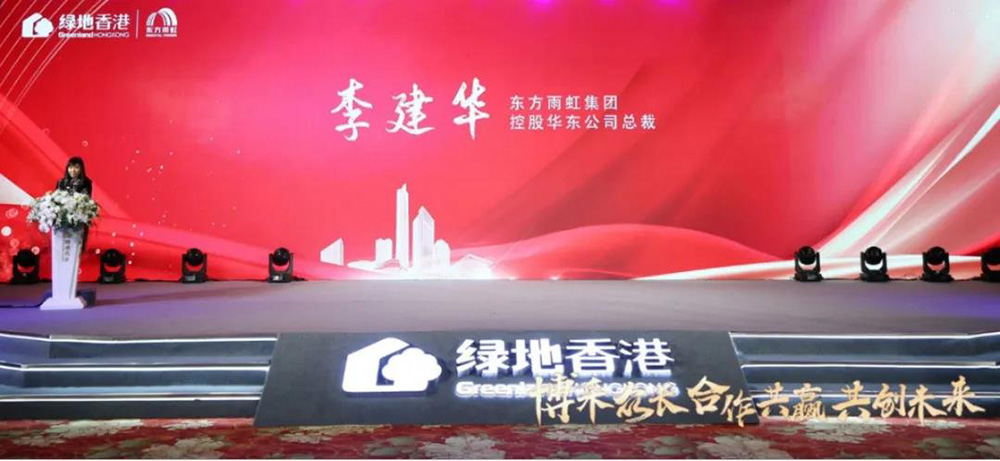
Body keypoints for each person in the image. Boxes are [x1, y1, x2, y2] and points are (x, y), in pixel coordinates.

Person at [55, 156, 94, 250]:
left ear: (81, 169)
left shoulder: (86, 182)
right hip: (63, 217)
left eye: (76, 167)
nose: (73, 170)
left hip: (78, 217)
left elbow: (85, 200)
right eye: (70, 167)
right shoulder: (61, 182)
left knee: (75, 248)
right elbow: (56, 199)